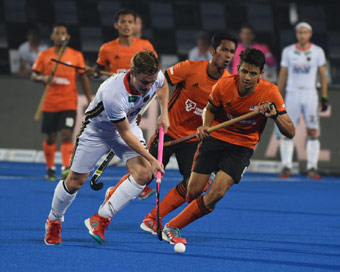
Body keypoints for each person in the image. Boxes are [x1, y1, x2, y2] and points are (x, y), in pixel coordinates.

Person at [104, 32, 237, 236]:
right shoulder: (189, 68)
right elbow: (157, 85)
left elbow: (224, 115)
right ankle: (114, 194)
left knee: (197, 185)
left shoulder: (229, 84)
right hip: (168, 132)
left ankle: (153, 219)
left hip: (193, 139)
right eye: (224, 50)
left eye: (232, 52)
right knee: (145, 175)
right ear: (213, 51)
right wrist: (140, 111)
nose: (228, 55)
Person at [160, 48, 295, 245]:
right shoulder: (223, 85)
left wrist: (274, 115)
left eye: (253, 73)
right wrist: (206, 126)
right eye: (245, 71)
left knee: (217, 193)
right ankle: (206, 179)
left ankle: (172, 227)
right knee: (193, 191)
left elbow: (290, 132)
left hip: (242, 146)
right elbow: (210, 110)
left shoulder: (270, 92)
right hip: (216, 137)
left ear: (261, 75)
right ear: (238, 69)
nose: (248, 77)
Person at [43, 50, 170, 245]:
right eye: (145, 82)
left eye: (152, 81)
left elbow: (162, 86)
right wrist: (153, 159)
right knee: (75, 181)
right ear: (133, 73)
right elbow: (125, 134)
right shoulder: (113, 93)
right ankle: (54, 220)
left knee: (143, 174)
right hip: (97, 131)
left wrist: (164, 113)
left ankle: (101, 218)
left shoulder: (155, 77)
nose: (149, 86)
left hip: (128, 124)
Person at [87, 9, 157, 199]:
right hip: (116, 101)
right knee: (121, 139)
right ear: (116, 25)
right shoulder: (107, 48)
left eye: (130, 22)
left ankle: (134, 182)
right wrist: (93, 72)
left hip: (137, 101)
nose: (127, 25)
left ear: (135, 25)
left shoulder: (145, 45)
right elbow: (99, 72)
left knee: (133, 147)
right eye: (123, 22)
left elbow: (153, 74)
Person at [32, 22, 92, 182]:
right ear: (52, 36)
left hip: (68, 103)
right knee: (51, 137)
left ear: (68, 37)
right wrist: (43, 78)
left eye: (63, 33)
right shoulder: (44, 55)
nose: (60, 36)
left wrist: (90, 99)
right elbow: (34, 75)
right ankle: (50, 169)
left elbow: (83, 77)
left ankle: (66, 168)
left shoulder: (76, 55)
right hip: (50, 103)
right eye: (57, 33)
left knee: (66, 134)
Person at [277, 21, 328, 179]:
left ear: (310, 34)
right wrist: (277, 95)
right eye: (300, 32)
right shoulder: (288, 51)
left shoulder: (318, 51)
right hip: (292, 93)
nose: (302, 35)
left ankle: (312, 167)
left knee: (312, 131)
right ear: (296, 34)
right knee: (287, 130)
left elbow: (322, 75)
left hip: (310, 94)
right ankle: (286, 166)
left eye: (305, 32)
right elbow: (283, 74)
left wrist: (324, 96)